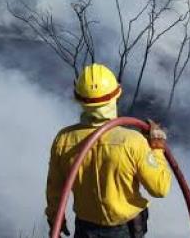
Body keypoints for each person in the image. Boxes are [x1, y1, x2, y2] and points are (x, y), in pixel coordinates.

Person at [45, 63, 172, 238]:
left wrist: (55, 219)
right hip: (126, 230)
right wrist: (157, 148)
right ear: (116, 94)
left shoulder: (63, 140)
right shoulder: (132, 141)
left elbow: (55, 187)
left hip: (85, 230)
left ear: (79, 98)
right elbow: (160, 188)